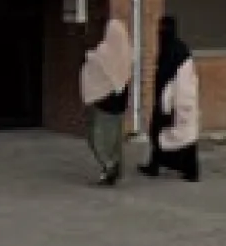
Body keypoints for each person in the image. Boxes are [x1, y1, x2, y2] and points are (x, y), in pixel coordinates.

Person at [76, 13, 139, 182]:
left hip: (102, 102)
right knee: (115, 138)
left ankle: (108, 166)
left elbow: (91, 60)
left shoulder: (103, 52)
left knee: (97, 136)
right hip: (119, 102)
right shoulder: (128, 52)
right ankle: (115, 165)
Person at [142, 21, 206, 182]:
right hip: (169, 99)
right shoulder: (174, 48)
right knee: (161, 132)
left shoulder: (176, 51)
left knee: (181, 135)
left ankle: (189, 170)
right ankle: (157, 164)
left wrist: (171, 103)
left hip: (175, 100)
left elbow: (178, 79)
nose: (160, 33)